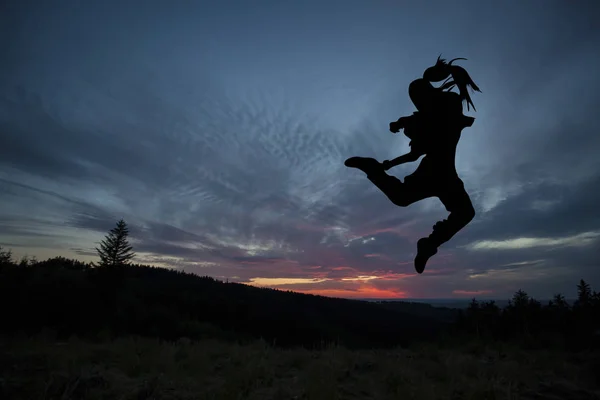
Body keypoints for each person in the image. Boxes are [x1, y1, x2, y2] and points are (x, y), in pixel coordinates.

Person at [344, 56, 481, 274]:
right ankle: (372, 169)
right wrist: (388, 162)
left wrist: (401, 126)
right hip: (436, 172)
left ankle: (428, 244)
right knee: (408, 199)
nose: (418, 105)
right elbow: (414, 151)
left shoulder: (441, 111)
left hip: (444, 175)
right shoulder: (433, 117)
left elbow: (417, 137)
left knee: (460, 212)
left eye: (419, 101)